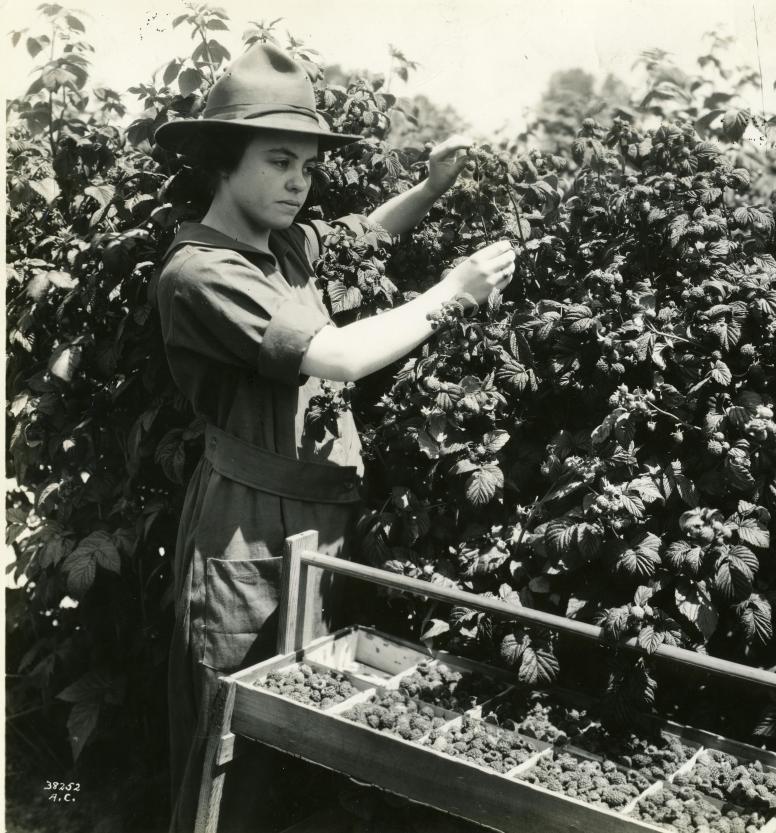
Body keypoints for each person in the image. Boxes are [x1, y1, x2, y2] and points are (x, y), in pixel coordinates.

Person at [150, 43, 515, 832]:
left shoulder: (276, 241)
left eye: (307, 167)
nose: (297, 181)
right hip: (245, 545)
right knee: (230, 755)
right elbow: (339, 357)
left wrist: (430, 186)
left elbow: (358, 235)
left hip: (315, 533)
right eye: (279, 160)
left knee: (303, 745)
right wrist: (451, 293)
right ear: (222, 159)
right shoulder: (203, 272)